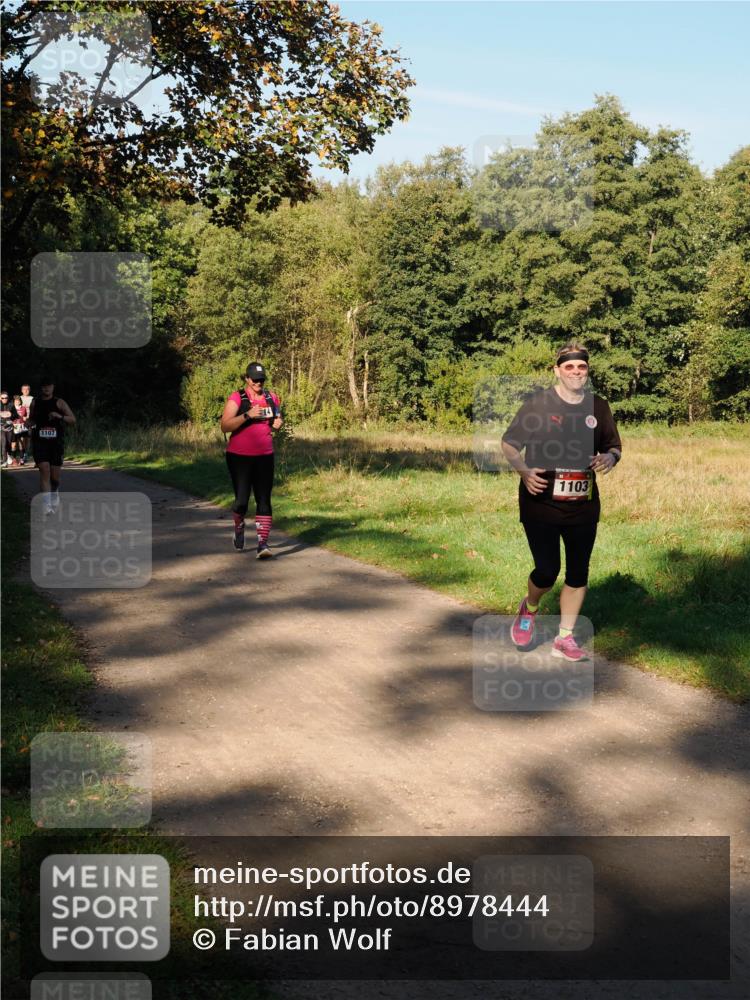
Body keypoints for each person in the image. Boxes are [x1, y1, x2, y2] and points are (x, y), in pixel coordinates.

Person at [501, 342, 622, 661]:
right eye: (569, 367)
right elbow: (510, 444)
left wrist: (610, 458)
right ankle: (529, 607)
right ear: (557, 370)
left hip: (583, 504)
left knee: (578, 572)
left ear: (587, 370)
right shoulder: (537, 405)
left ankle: (564, 638)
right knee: (547, 569)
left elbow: (614, 447)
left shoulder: (599, 407)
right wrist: (525, 472)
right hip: (540, 500)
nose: (576, 372)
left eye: (581, 367)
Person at [220, 361, 283, 557]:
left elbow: (276, 419)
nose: (258, 382)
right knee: (241, 502)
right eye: (255, 379)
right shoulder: (237, 398)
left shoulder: (271, 397)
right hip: (239, 457)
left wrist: (277, 423)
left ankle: (263, 544)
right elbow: (225, 426)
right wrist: (247, 415)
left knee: (264, 499)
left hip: (265, 456)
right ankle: (239, 527)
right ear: (247, 379)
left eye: (261, 379)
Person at [29, 377, 76, 514]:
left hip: (56, 443)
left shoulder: (59, 402)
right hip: (40, 442)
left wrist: (59, 416)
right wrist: (28, 423)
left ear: (53, 387)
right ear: (41, 388)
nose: (46, 389)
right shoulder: (35, 402)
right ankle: (46, 505)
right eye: (44, 386)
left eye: (49, 386)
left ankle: (54, 491)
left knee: (54, 477)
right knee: (44, 470)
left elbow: (72, 419)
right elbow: (31, 419)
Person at [12, 394, 30, 465]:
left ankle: (22, 459)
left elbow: (25, 416)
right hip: (13, 427)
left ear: (20, 401)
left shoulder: (23, 408)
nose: (17, 402)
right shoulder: (11, 408)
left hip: (21, 427)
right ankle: (14, 459)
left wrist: (25, 418)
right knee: (13, 444)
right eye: (15, 401)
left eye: (18, 400)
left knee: (21, 443)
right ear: (13, 402)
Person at [1, 390, 16, 467]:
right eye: (2, 398)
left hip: (10, 427)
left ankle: (9, 455)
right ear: (0, 398)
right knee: (4, 444)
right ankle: (4, 461)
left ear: (8, 398)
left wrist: (11, 416)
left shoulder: (11, 405)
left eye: (6, 398)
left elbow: (15, 415)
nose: (4, 399)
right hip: (1, 428)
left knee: (9, 444)